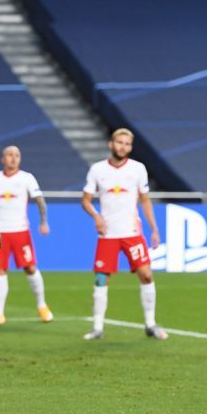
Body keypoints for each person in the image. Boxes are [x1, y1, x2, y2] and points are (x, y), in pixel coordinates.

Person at [81, 128, 166, 341]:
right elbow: (86, 200)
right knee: (101, 279)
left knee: (147, 275)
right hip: (108, 234)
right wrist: (97, 217)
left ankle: (150, 323)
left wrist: (154, 228)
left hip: (132, 233)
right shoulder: (97, 169)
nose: (123, 147)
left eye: (127, 144)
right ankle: (98, 327)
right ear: (111, 144)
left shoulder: (138, 169)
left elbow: (145, 200)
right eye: (120, 142)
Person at [0, 145, 52, 325]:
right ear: (2, 159)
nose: (13, 158)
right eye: (9, 155)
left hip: (20, 231)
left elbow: (40, 200)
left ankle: (42, 306)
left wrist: (44, 221)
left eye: (17, 155)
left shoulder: (27, 178)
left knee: (30, 267)